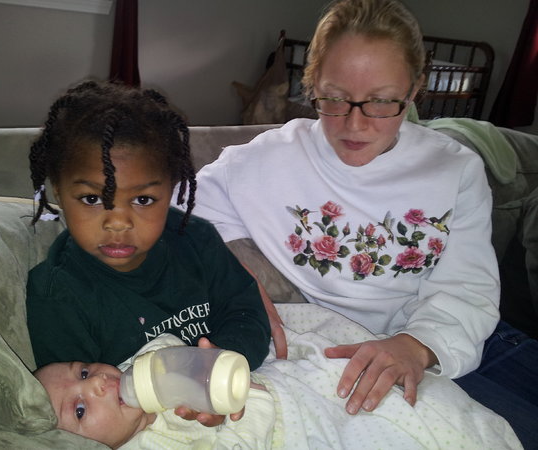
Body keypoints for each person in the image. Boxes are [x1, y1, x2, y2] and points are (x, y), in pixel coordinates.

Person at [189, 0, 538, 446]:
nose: (355, 125)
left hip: (449, 342)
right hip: (329, 349)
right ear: (312, 83)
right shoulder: (267, 158)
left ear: (414, 89)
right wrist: (234, 279)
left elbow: (467, 288)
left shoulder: (455, 171)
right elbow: (181, 204)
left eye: (381, 101)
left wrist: (416, 346)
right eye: (334, 98)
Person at [25, 80, 271, 426]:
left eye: (143, 200)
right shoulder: (58, 295)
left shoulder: (196, 240)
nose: (118, 223)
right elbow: (77, 415)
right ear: (58, 191)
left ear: (170, 189)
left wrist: (219, 365)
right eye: (92, 199)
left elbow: (247, 313)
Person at [35, 310, 522, 450]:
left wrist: (198, 364)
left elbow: (197, 358)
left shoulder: (144, 361)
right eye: (80, 409)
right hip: (284, 436)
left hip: (293, 399)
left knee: (384, 408)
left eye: (83, 371)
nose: (97, 385)